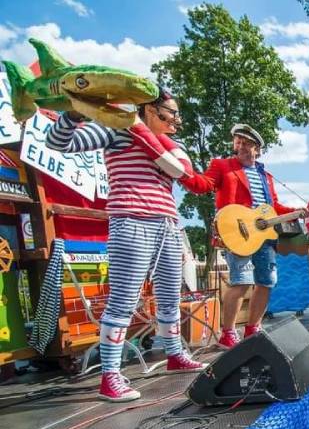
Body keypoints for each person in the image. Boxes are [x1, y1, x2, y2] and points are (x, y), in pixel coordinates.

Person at [47, 90, 206, 401]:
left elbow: (185, 172)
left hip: (168, 226)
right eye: (170, 112)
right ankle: (110, 376)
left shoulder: (173, 146)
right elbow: (59, 144)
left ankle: (175, 354)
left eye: (176, 114)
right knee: (123, 300)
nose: (175, 119)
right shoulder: (117, 130)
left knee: (170, 296)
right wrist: (74, 115)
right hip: (131, 221)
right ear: (148, 109)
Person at [188, 124, 297, 348]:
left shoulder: (265, 175)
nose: (240, 146)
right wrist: (184, 174)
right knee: (242, 281)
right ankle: (228, 333)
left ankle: (252, 329)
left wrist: (298, 211)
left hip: (263, 235)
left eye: (246, 143)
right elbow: (203, 184)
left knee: (267, 282)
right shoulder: (222, 165)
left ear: (257, 148)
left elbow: (272, 207)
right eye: (237, 141)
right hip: (237, 232)